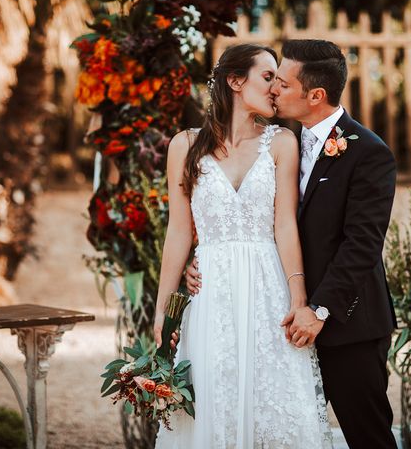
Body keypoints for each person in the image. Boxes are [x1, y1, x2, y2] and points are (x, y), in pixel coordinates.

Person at [186, 39, 398, 449]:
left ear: (315, 95)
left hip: (345, 323)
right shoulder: (278, 142)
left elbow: (362, 246)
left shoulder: (369, 154)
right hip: (275, 318)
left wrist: (318, 310)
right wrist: (200, 261)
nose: (273, 90)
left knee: (367, 435)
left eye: (282, 83)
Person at [153, 43, 332, 448]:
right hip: (210, 294)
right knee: (215, 395)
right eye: (268, 77)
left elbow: (285, 226)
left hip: (268, 289)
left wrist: (298, 300)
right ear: (235, 81)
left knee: (273, 401)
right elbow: (179, 231)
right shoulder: (184, 146)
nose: (276, 88)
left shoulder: (281, 142)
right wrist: (164, 306)